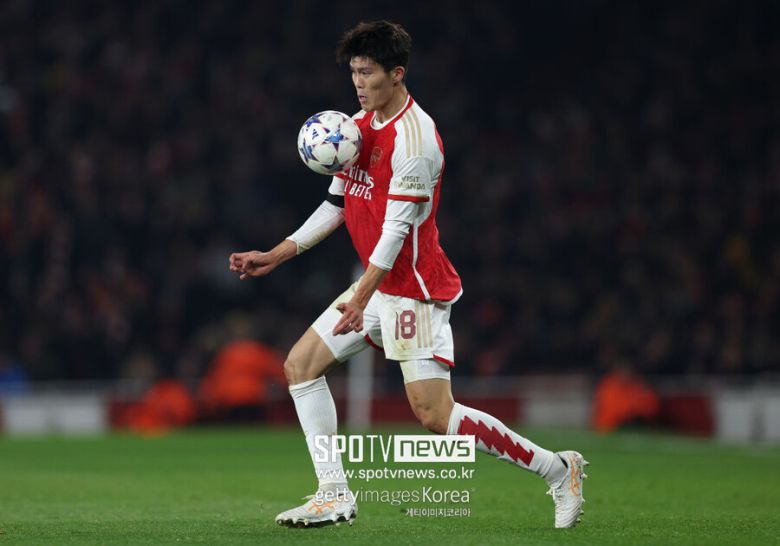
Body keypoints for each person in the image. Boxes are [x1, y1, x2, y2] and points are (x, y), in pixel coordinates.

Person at [229, 20, 587, 529]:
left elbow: (396, 232)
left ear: (397, 74)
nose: (359, 83)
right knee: (300, 366)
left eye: (368, 73)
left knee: (435, 416)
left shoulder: (416, 142)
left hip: (413, 290)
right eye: (354, 72)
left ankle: (557, 468)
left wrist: (360, 298)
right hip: (377, 286)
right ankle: (334, 494)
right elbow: (337, 204)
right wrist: (276, 253)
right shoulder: (356, 126)